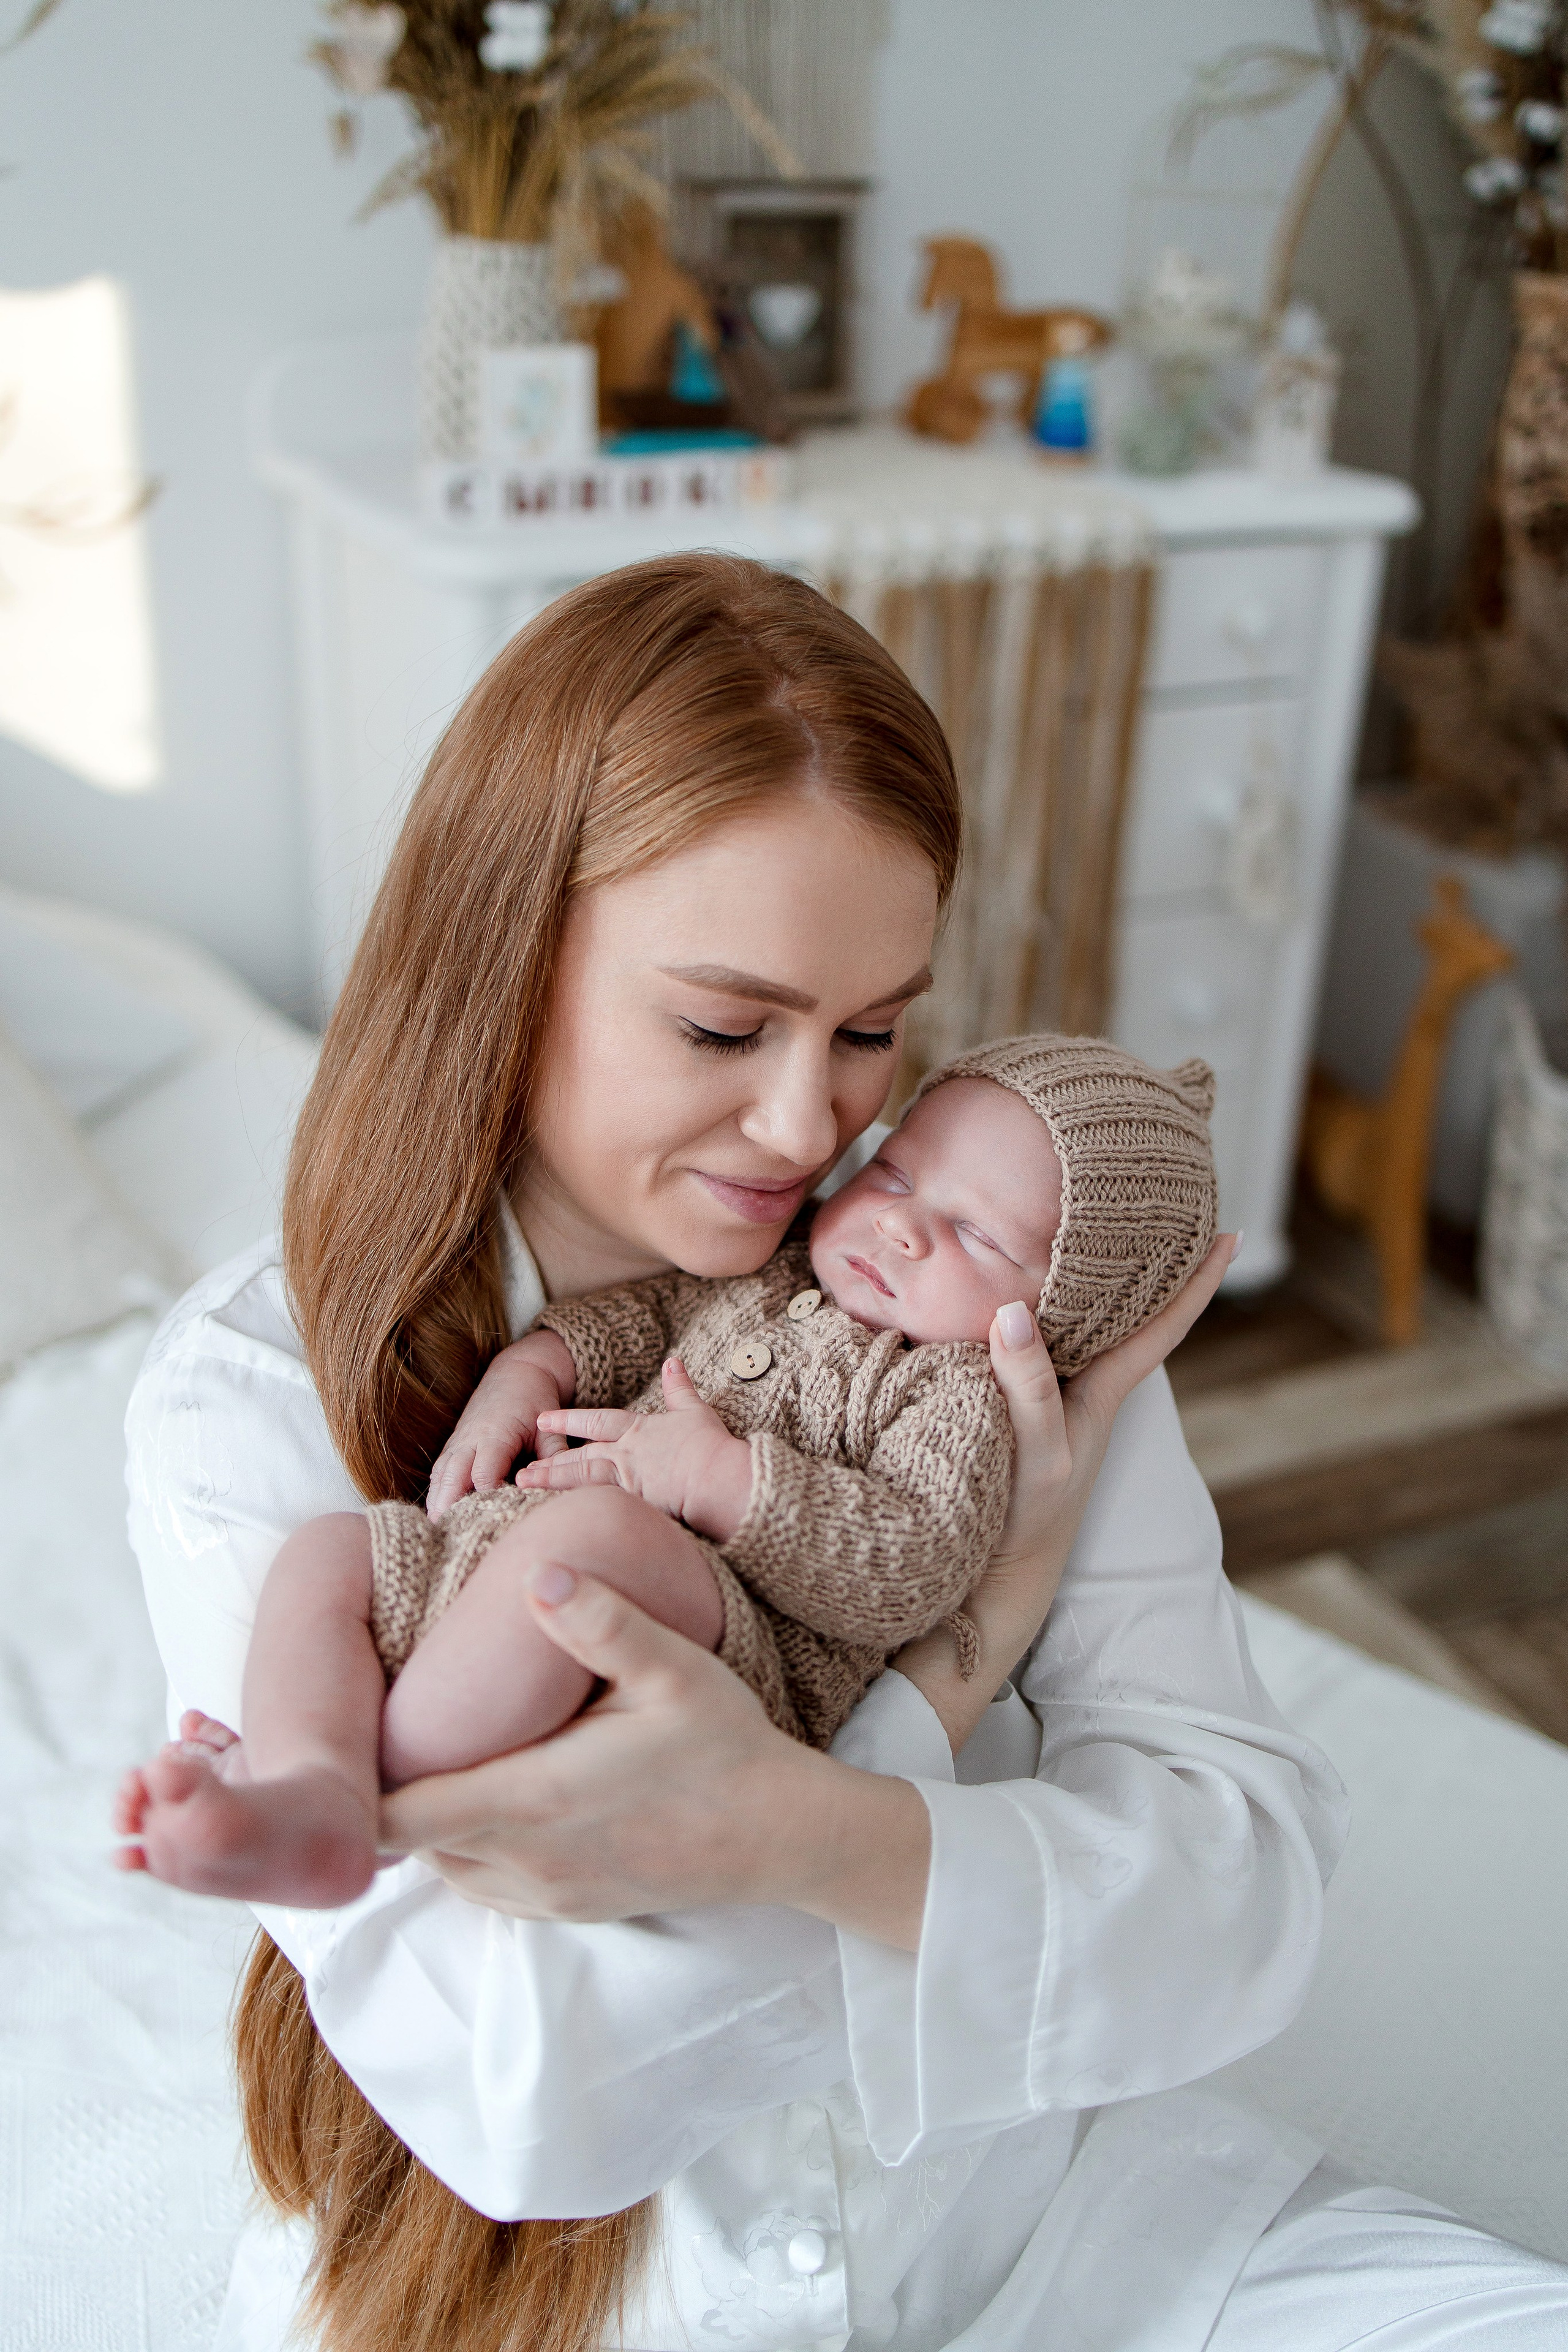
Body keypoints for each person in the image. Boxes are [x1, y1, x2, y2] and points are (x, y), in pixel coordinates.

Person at [125, 554, 1568, 2351]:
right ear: (508, 960)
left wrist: (815, 1840)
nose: (815, 1125)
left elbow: (1244, 1895)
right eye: (725, 1026)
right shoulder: (249, 1393)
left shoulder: (981, 1281)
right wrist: (944, 1693)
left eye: (873, 1029)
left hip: (1056, 2224)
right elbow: (530, 2091)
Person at [115, 1036, 1217, 1904]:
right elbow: (640, 1317)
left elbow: (913, 1562)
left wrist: (720, 1481)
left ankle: (387, 1802)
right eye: (894, 1174)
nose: (906, 1230)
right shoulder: (780, 1273)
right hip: (482, 1561)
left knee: (599, 1546)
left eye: (981, 1239)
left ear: (1055, 1317)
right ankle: (310, 1781)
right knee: (330, 1554)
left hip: (736, 1648)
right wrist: (531, 1370)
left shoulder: (956, 1398)